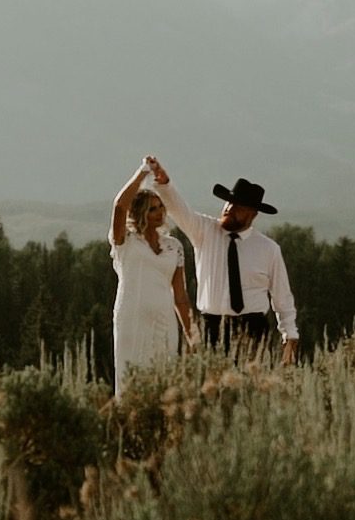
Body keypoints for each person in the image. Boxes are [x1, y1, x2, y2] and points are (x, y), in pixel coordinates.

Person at [146, 155, 299, 364]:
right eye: (229, 204)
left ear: (252, 214)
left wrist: (289, 337)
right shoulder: (204, 232)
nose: (229, 210)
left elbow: (282, 298)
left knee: (253, 389)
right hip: (213, 326)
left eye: (238, 208)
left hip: (253, 328)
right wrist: (164, 184)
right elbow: (179, 210)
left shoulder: (269, 249)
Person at [109, 159, 195, 395]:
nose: (160, 213)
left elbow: (181, 297)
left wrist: (192, 335)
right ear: (139, 213)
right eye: (152, 208)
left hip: (164, 322)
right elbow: (119, 207)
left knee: (164, 383)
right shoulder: (125, 242)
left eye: (160, 207)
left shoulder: (174, 246)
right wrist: (142, 174)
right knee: (130, 382)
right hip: (132, 321)